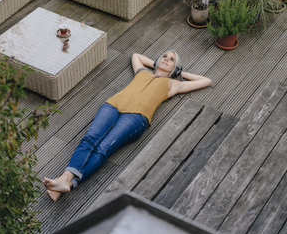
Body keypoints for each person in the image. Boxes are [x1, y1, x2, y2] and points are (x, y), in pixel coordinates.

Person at [43, 51, 211, 201]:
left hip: (136, 116)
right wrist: (156, 64)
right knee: (90, 138)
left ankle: (68, 183)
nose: (167, 59)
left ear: (175, 66)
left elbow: (206, 80)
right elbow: (136, 56)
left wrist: (178, 72)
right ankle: (63, 181)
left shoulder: (173, 84)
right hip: (113, 105)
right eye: (164, 57)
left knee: (103, 148)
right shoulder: (142, 71)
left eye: (171, 59)